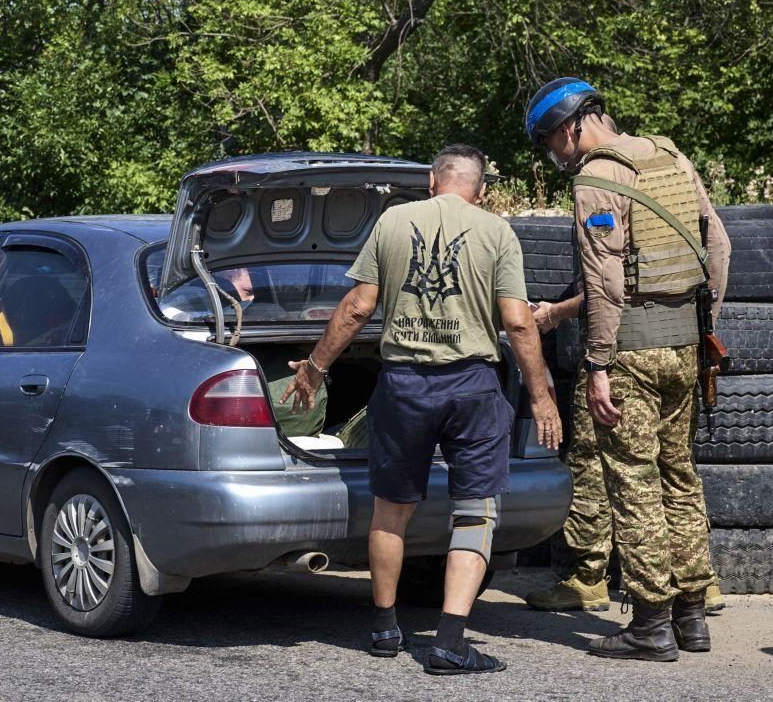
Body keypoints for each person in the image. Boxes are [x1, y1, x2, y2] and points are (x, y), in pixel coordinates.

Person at [281, 144, 562, 675]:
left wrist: (314, 369)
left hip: (404, 384)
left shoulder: (392, 222)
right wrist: (542, 395)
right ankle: (450, 641)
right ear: (479, 189)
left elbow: (358, 307)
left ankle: (385, 629)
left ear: (432, 183)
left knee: (391, 510)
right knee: (475, 511)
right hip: (472, 386)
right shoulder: (497, 231)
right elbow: (520, 323)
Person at [524, 77, 731, 661]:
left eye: (549, 143)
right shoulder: (669, 155)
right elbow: (718, 246)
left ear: (571, 128)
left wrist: (596, 364)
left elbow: (604, 283)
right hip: (686, 349)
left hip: (632, 355)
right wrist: (702, 321)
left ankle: (649, 624)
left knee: (634, 483)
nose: (553, 155)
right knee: (680, 479)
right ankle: (692, 619)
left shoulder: (595, 180)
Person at [525, 288, 726, 615]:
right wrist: (702, 327)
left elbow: (608, 290)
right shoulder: (697, 232)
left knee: (596, 466)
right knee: (676, 472)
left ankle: (590, 578)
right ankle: (696, 585)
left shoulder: (610, 232)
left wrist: (556, 313)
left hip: (623, 353)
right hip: (684, 350)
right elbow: (719, 258)